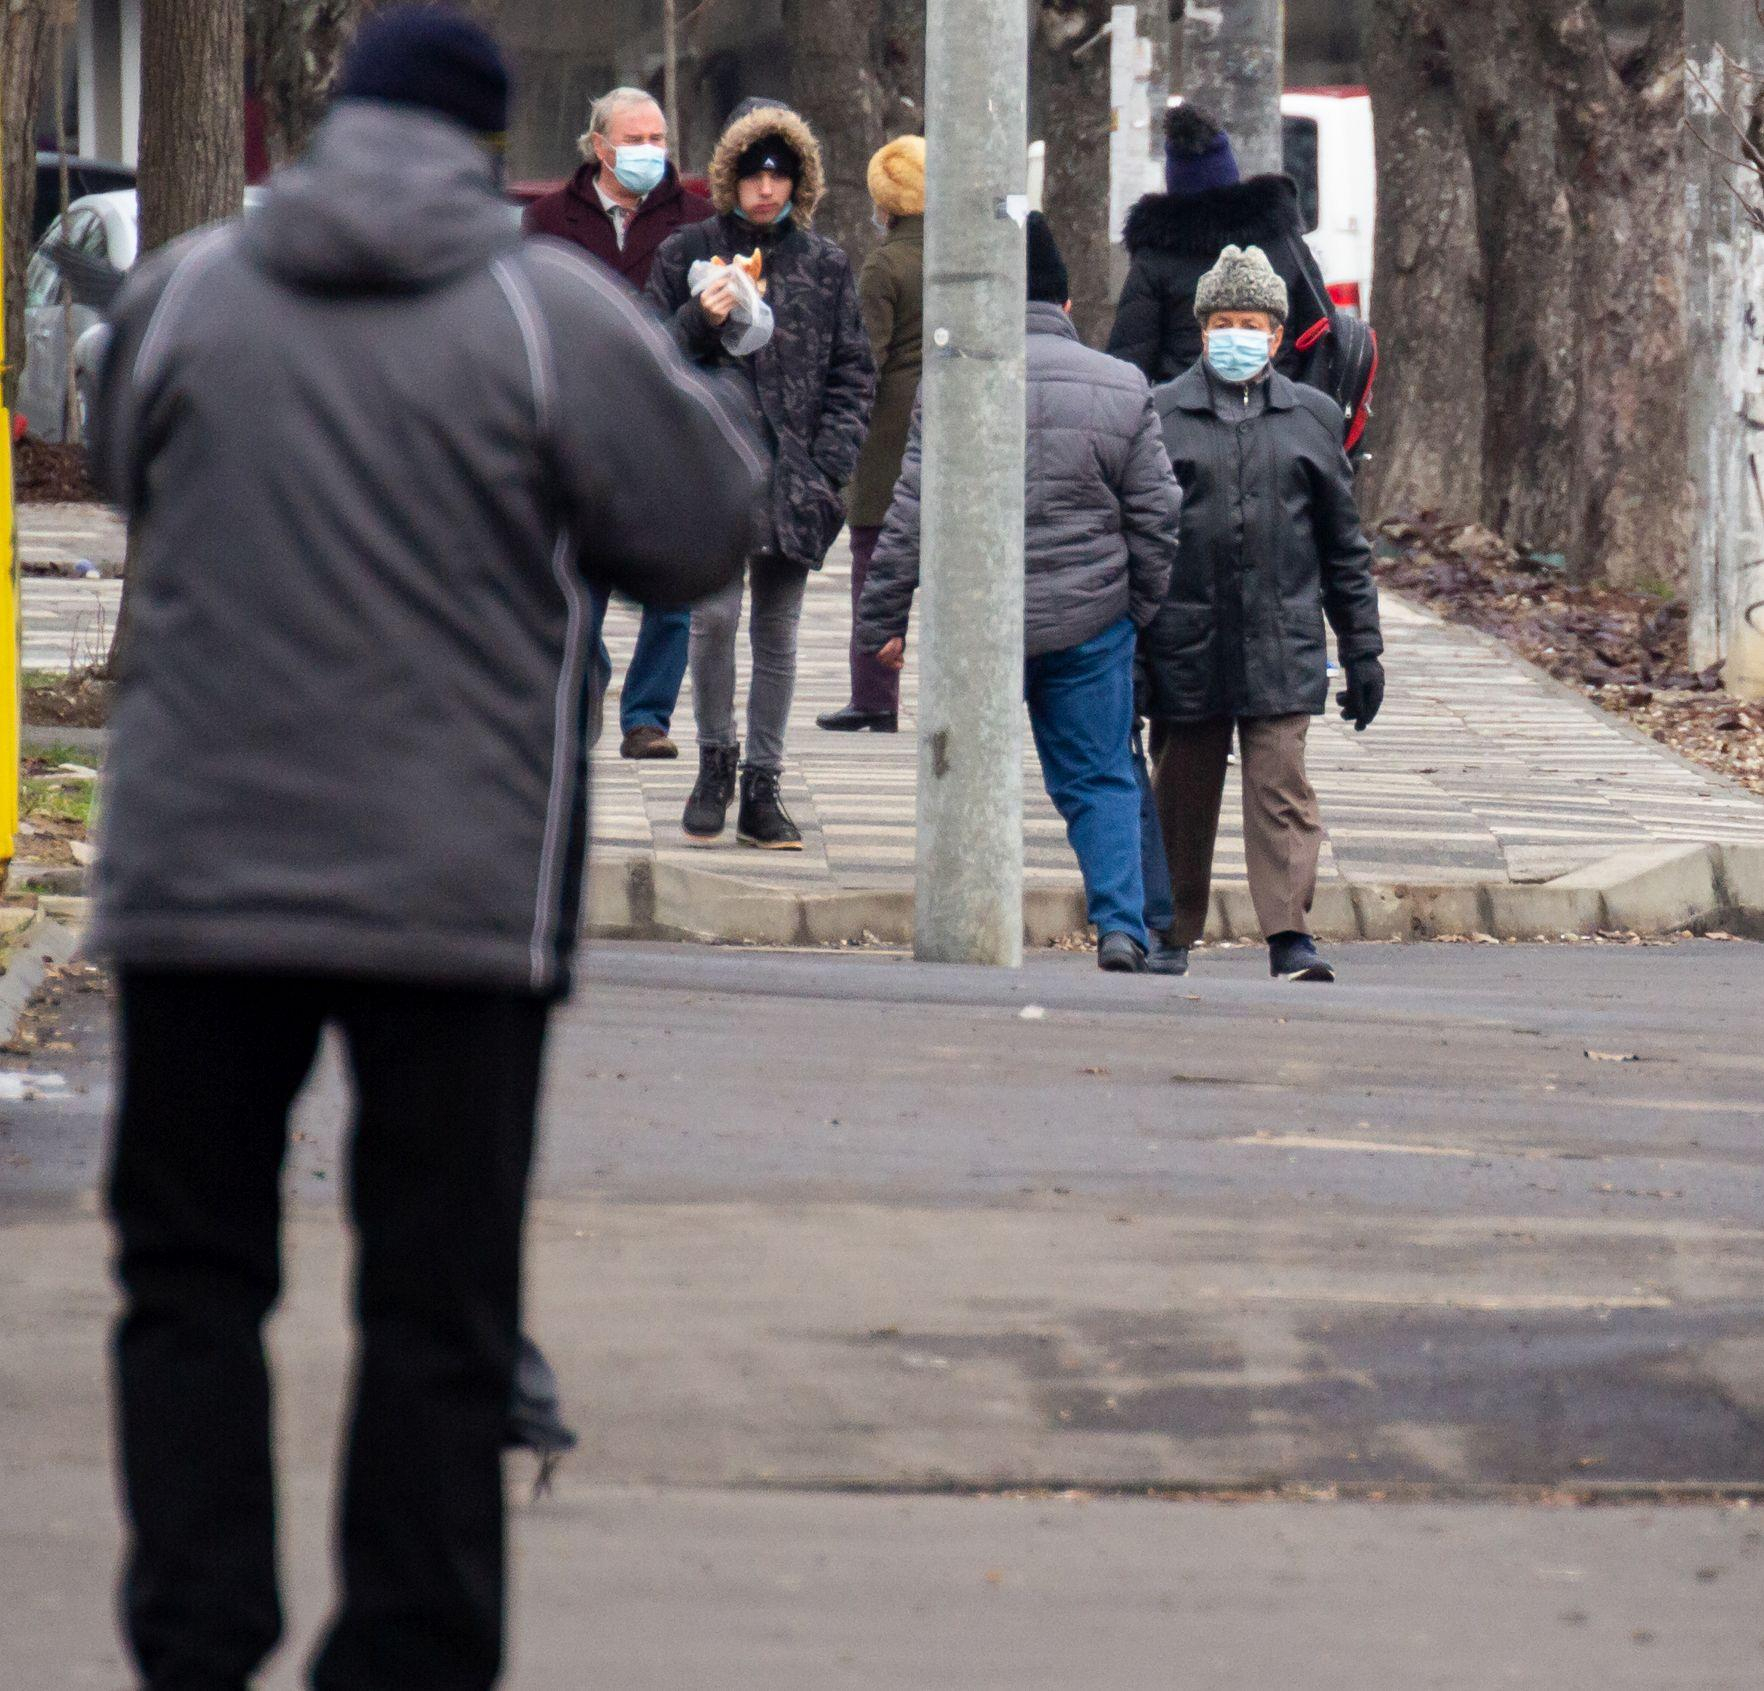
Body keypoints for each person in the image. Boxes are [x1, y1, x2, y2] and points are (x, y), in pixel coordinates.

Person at [86, 10, 760, 1689]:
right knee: (438, 1298)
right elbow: (698, 526)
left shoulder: (183, 295)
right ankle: (407, 1649)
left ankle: (195, 1632)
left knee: (185, 1274)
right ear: (480, 145)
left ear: (337, 124)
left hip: (196, 878)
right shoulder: (548, 320)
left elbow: (126, 464)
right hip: (453, 892)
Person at [856, 213, 1180, 973]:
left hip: (978, 626)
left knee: (967, 770)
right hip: (1090, 620)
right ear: (1066, 306)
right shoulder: (1121, 385)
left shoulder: (955, 383)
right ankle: (1122, 929)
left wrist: (882, 617)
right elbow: (1160, 515)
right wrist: (1134, 609)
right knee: (1100, 775)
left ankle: (965, 921)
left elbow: (910, 511)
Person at [1142, 243, 1384, 983]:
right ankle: (1171, 931)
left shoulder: (1310, 417)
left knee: (1281, 790)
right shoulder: (1161, 413)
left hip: (1282, 640)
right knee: (1181, 791)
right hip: (1186, 638)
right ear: (1202, 328)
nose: (1237, 334)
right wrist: (1127, 652)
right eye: (1224, 321)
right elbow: (1140, 539)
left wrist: (1364, 649)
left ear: (1277, 336)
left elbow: (1344, 546)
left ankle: (1290, 935)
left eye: (1252, 322)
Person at [648, 98, 876, 848]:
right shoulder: (689, 252)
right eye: (753, 174)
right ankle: (715, 761)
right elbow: (647, 356)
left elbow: (853, 372)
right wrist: (699, 318)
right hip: (706, 473)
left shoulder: (826, 263)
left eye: (781, 175)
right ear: (729, 179)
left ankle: (763, 788)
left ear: (801, 182)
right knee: (713, 622)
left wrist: (830, 467)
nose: (767, 189)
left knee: (777, 635)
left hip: (795, 481)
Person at [524, 86, 715, 759]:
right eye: (634, 141)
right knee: (578, 581)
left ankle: (648, 717)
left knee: (672, 587)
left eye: (657, 139)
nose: (649, 152)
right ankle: (585, 690)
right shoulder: (548, 220)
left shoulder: (697, 219)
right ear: (600, 146)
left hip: (669, 421)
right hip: (578, 424)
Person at [817, 133, 924, 735]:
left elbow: (868, 357)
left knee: (875, 561)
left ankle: (874, 695)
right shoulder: (964, 251)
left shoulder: (885, 263)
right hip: (953, 426)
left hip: (892, 434)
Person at [1107, 105, 1333, 388]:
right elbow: (1322, 329)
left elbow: (1129, 360)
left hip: (1186, 416)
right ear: (1231, 171)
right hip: (1280, 407)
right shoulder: (1281, 239)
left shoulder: (1156, 256)